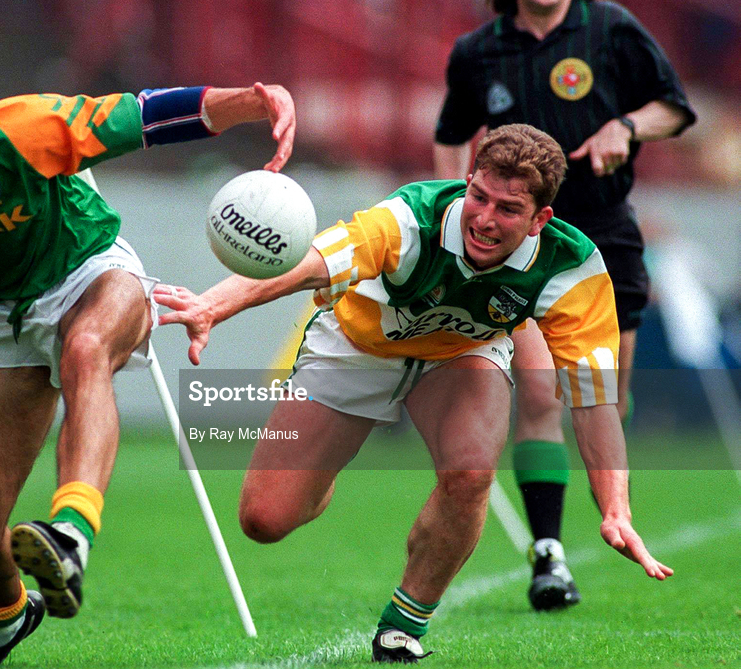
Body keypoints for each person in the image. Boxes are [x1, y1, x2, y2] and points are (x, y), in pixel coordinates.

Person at [0, 63, 295, 665]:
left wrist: (259, 102)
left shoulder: (12, 128)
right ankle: (5, 620)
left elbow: (143, 115)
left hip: (89, 266)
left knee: (86, 350)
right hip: (2, 320)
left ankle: (71, 533)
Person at [157, 124, 672, 664]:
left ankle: (404, 625)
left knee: (471, 472)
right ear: (468, 180)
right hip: (358, 346)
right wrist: (214, 305)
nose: (485, 219)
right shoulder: (409, 218)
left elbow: (593, 405)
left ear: (541, 219)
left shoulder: (573, 270)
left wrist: (615, 508)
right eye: (479, 196)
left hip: (461, 354)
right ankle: (322, 473)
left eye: (509, 209)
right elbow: (308, 264)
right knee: (264, 521)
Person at [433, 0, 695, 611]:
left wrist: (626, 127)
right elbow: (449, 138)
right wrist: (456, 216)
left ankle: (608, 506)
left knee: (604, 397)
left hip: (606, 236)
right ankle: (548, 552)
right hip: (523, 244)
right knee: (544, 392)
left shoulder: (610, 28)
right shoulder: (479, 51)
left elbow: (675, 107)